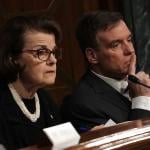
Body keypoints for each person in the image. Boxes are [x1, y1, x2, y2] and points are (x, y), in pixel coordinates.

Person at [61, 11, 150, 133]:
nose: (130, 50)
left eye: (129, 40)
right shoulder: (83, 105)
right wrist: (141, 100)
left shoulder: (142, 80)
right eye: (116, 45)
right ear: (92, 56)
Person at [0, 15, 62, 149]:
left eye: (54, 52)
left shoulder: (45, 99)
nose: (53, 60)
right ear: (13, 58)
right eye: (41, 52)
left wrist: (86, 138)